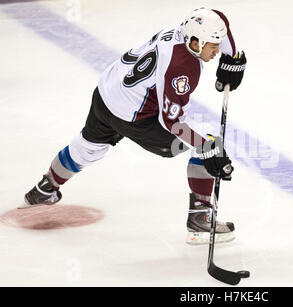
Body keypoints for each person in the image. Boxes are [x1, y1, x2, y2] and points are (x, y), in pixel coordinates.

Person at [21, 7, 247, 245]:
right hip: (136, 119)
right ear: (195, 42)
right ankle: (200, 218)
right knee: (207, 145)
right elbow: (173, 122)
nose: (215, 51)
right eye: (213, 46)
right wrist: (207, 147)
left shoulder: (183, 31)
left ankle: (46, 188)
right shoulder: (183, 68)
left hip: (106, 95)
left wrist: (232, 56)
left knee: (87, 146)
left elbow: (217, 16)